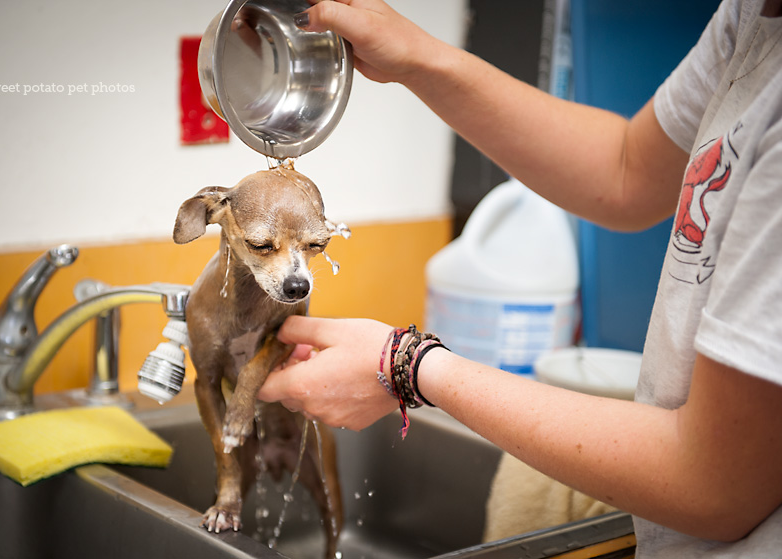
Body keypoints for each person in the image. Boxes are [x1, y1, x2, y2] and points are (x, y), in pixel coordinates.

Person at [258, 0, 782, 555]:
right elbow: (626, 168)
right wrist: (418, 59)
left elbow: (711, 485)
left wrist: (408, 366)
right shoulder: (750, 14)